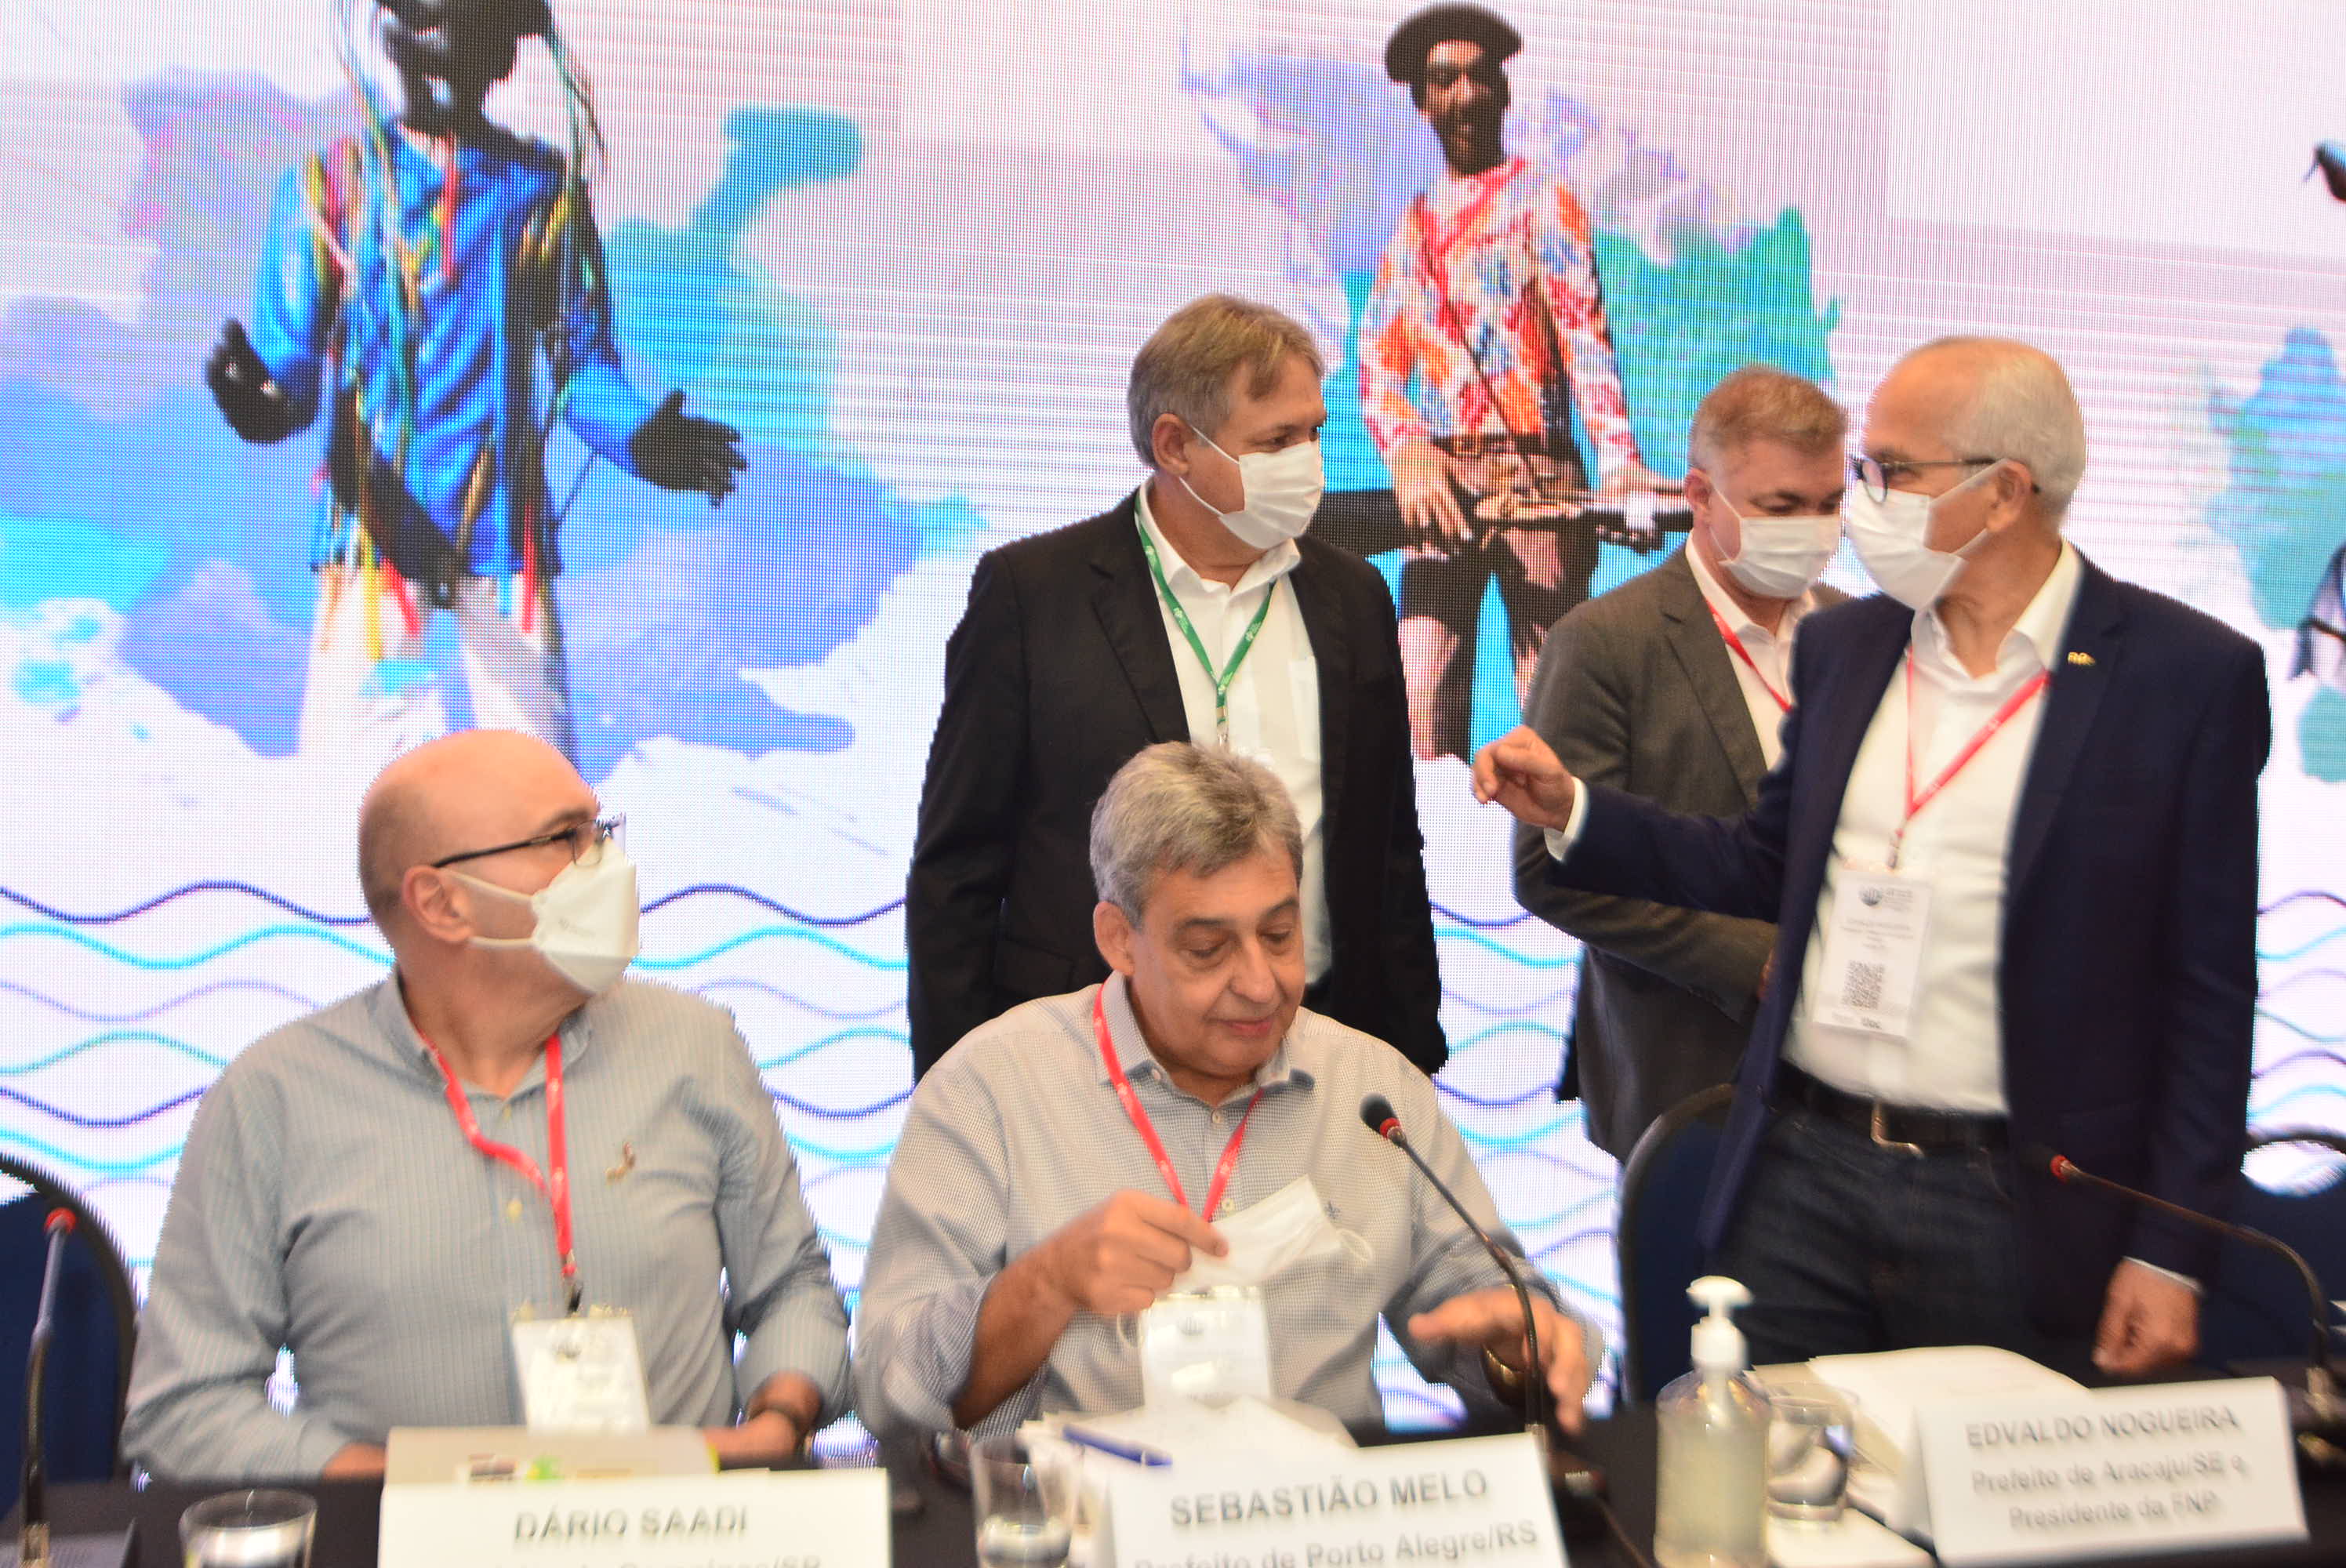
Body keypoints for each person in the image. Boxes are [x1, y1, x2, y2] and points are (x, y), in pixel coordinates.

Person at [1475, 337, 2267, 1373]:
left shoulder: (2185, 678)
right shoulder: (1851, 647)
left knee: (1976, 1474)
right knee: (1773, 1464)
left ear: (2002, 493)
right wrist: (1577, 809)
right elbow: (1764, 861)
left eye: (1891, 471)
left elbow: (2209, 995)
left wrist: (2172, 1249)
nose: (1863, 503)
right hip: (1799, 1172)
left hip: (2010, 1200)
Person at [124, 730, 848, 1480]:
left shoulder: (695, 1048)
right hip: (393, 1536)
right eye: (566, 839)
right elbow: (184, 1409)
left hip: (684, 1527)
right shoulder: (273, 1098)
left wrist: (777, 1422)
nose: (606, 863)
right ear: (442, 903)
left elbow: (793, 1288)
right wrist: (415, 1487)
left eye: (599, 831)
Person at [861, 743, 1592, 1438]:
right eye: (1208, 950)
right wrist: (1044, 1285)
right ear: (1118, 939)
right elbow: (890, 1391)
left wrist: (1522, 1352)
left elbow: (1498, 1310)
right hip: (1081, 1511)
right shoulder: (990, 1089)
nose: (1259, 984)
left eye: (1279, 936)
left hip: (1324, 1508)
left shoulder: (1373, 1092)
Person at [906, 294, 1444, 1078]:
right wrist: (958, 1093)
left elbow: (1390, 848)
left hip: (1319, 1046)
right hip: (1089, 1062)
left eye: (1314, 433)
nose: (1307, 462)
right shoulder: (1034, 595)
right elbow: (957, 870)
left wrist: (1411, 1057)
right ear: (1175, 445)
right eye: (1276, 440)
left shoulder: (1353, 596)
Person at [205, 0, 745, 771]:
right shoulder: (332, 190)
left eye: (465, 24)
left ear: (501, 54)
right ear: (391, 39)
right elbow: (290, 362)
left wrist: (640, 436)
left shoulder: (539, 194)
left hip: (499, 528)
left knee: (539, 786)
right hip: (375, 528)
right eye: (422, 19)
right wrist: (262, 402)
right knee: (347, 777)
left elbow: (581, 365)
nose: (440, 42)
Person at [1513, 367, 1849, 1159]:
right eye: (1781, 507)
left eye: (1830, 503)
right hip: (1689, 1071)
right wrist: (1754, 959)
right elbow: (1550, 871)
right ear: (1700, 495)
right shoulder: (1604, 642)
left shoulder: (1858, 633)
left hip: (1855, 1075)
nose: (1813, 529)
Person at [1361, 3, 1672, 761]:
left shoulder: (1543, 201)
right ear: (1422, 100)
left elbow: (1584, 339)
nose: (1465, 94)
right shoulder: (1413, 227)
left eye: (1479, 76)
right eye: (1445, 79)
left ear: (1502, 89)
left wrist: (1620, 462)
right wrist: (1408, 450)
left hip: (1538, 474)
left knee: (1551, 706)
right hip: (1443, 484)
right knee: (1419, 699)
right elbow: (1378, 363)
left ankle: (1553, 839)